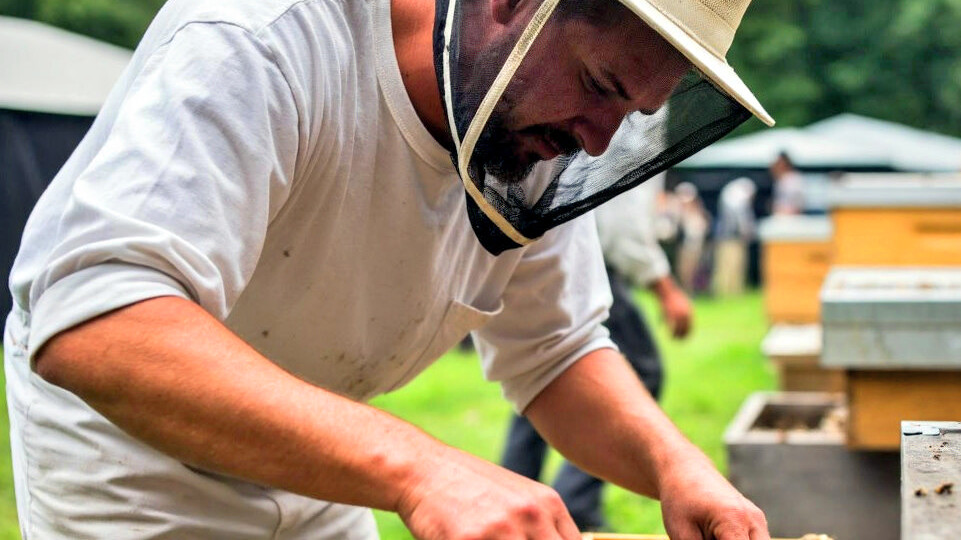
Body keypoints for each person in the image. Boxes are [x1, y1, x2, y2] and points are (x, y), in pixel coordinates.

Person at [4, 0, 775, 537]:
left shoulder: (531, 119)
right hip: (134, 465)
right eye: (599, 86)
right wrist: (419, 468)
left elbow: (557, 351)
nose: (599, 143)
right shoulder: (260, 36)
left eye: (631, 111)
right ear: (511, 4)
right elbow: (99, 316)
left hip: (322, 454)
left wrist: (675, 466)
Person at [501, 174, 693, 531]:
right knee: (632, 368)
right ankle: (576, 502)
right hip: (596, 265)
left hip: (572, 254)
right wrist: (665, 287)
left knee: (539, 369)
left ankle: (512, 493)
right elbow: (624, 226)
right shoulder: (636, 126)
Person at [712, 177, 757, 296]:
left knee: (725, 265)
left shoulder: (729, 193)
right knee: (733, 266)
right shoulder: (738, 197)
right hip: (732, 238)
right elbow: (742, 220)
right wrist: (747, 233)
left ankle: (725, 292)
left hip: (724, 237)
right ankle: (731, 291)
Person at [675, 181, 712, 292]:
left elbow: (704, 228)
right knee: (683, 269)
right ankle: (685, 289)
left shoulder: (700, 213)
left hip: (695, 246)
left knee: (693, 269)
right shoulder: (680, 212)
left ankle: (691, 290)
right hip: (685, 246)